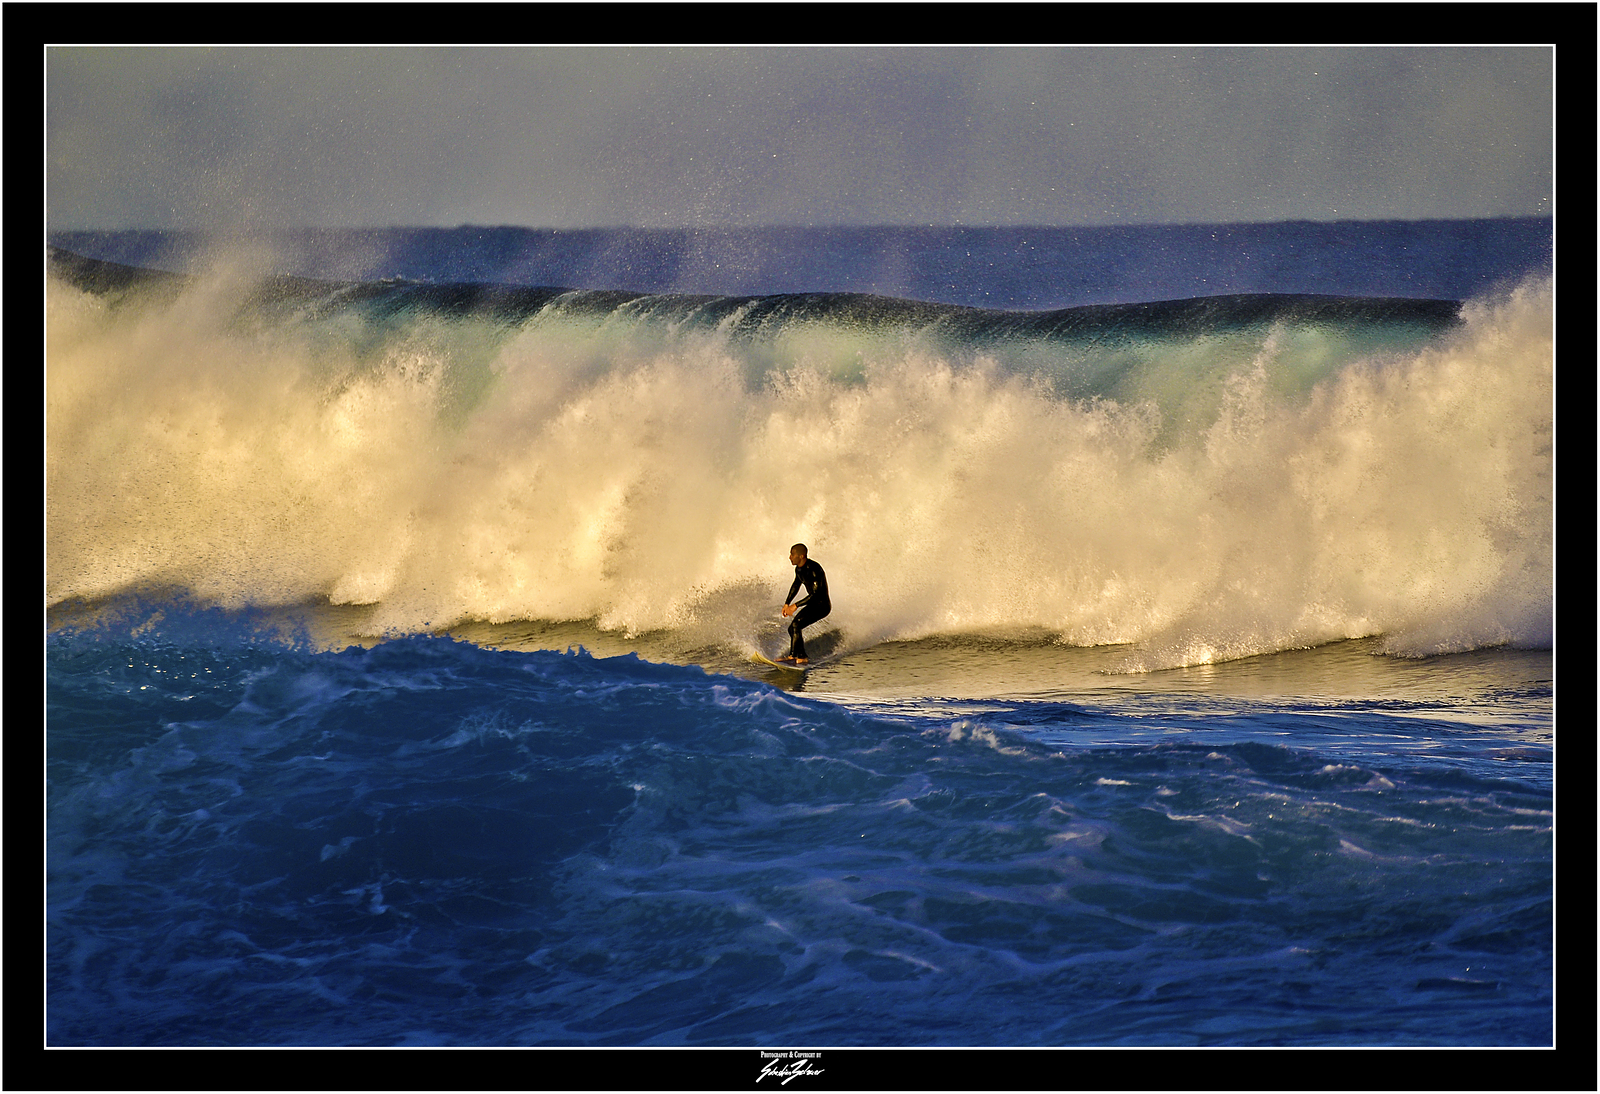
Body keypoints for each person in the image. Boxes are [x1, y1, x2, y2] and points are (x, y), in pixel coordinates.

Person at [779, 543, 830, 664]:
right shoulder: (799, 569)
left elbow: (816, 594)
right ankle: (797, 656)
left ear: (801, 556)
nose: (790, 557)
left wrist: (795, 606)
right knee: (792, 628)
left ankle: (798, 657)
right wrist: (787, 603)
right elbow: (796, 585)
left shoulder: (814, 569)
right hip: (813, 604)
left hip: (822, 606)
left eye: (792, 554)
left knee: (796, 625)